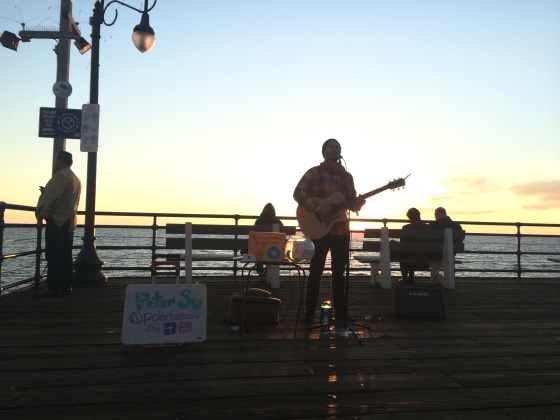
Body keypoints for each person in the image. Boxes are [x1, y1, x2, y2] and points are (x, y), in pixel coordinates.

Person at [293, 138, 365, 323]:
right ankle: (309, 314)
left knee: (339, 275)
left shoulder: (347, 177)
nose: (335, 149)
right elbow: (298, 193)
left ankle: (340, 315)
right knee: (315, 272)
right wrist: (318, 208)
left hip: (340, 231)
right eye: (331, 147)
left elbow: (351, 203)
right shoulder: (314, 173)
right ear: (324, 152)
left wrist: (358, 202)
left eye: (338, 147)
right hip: (319, 232)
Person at [35, 151, 82, 296]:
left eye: (56, 161)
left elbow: (54, 198)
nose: (55, 164)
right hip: (69, 221)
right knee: (65, 254)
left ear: (61, 161)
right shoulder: (75, 178)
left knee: (54, 254)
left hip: (58, 219)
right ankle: (67, 285)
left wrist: (45, 214)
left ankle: (54, 287)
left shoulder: (60, 176)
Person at [399, 207, 430, 284]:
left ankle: (405, 278)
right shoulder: (427, 227)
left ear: (409, 217)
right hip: (425, 257)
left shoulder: (405, 228)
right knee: (411, 252)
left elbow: (403, 244)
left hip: (409, 257)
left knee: (404, 252)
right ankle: (411, 277)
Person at [254, 203, 283, 278]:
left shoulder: (258, 222)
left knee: (258, 249)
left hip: (259, 251)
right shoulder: (278, 223)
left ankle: (260, 271)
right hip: (276, 252)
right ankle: (268, 273)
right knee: (272, 250)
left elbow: (254, 238)